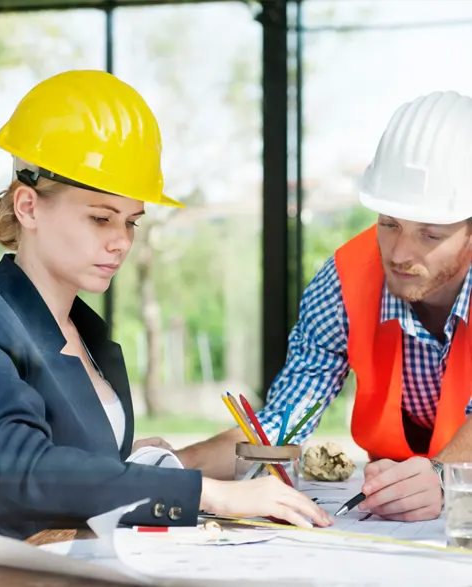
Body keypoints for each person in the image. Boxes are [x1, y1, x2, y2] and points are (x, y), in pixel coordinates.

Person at [0, 69, 331, 540]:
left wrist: (134, 465)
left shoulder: (87, 335)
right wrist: (204, 492)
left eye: (132, 221)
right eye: (100, 218)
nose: (120, 242)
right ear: (28, 207)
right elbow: (18, 468)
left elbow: (75, 466)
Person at [177, 90, 472, 522]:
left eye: (430, 234)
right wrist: (171, 468)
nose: (400, 253)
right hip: (389, 519)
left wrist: (445, 477)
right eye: (389, 224)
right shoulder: (346, 279)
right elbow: (283, 423)